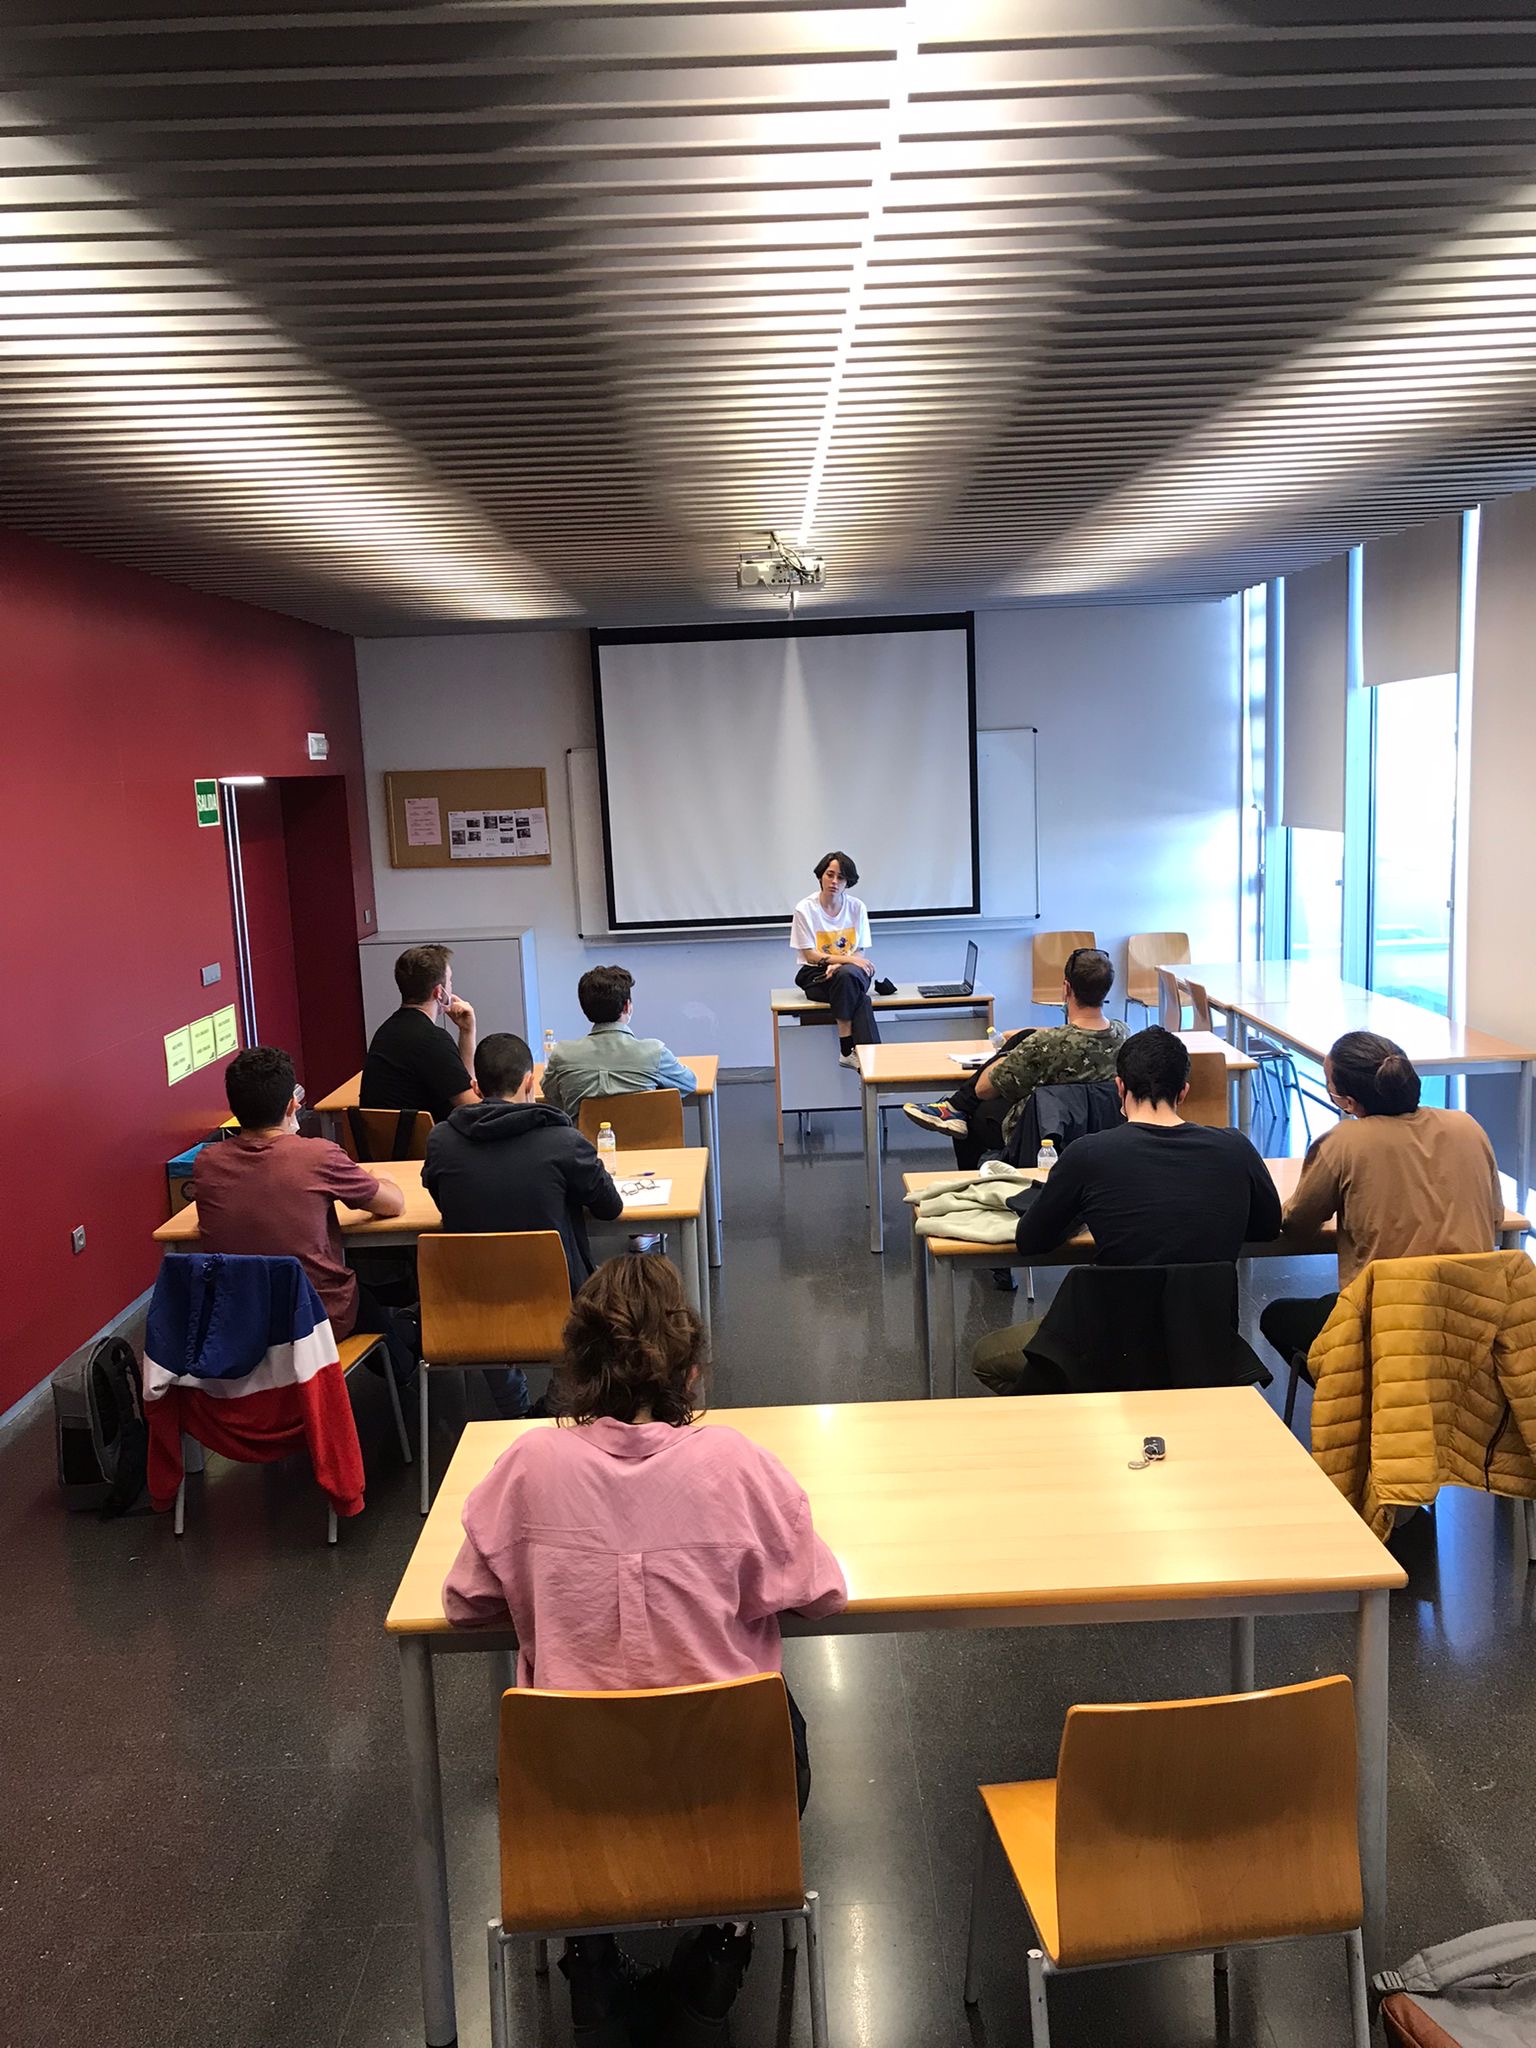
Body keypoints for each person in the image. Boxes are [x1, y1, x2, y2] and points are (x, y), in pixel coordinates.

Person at [443, 1255, 847, 2045]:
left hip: (572, 1783)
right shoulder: (735, 1463)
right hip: (727, 1781)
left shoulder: (525, 1465)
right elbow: (822, 1592)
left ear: (577, 1364)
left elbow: (465, 1605)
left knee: (557, 1734)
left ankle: (590, 1957)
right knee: (777, 1728)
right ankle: (726, 1934)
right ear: (689, 1369)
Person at [973, 1026, 1283, 1393]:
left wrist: (1082, 1213)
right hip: (1203, 1346)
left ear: (1119, 1087)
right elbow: (1268, 1227)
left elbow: (1031, 1240)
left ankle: (1069, 1418)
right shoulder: (1235, 1148)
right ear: (1184, 1091)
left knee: (987, 1357)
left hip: (1107, 1346)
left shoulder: (1089, 1154)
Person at [1259, 1031, 1504, 1373]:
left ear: (1346, 1102)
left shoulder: (1343, 1142)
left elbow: (1298, 1226)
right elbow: (1495, 1217)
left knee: (1278, 1316)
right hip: (1476, 1322)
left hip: (1385, 1323)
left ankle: (1363, 1393)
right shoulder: (1467, 1126)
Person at [423, 1031, 625, 1416]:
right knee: (598, 1300)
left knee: (485, 1305)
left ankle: (512, 1412)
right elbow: (609, 1207)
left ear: (476, 1087)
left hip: (465, 1299)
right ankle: (556, 1408)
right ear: (530, 1082)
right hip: (558, 1298)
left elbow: (442, 1201)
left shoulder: (441, 1141)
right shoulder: (563, 1140)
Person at [191, 1045, 417, 1384]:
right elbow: (393, 1204)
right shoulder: (318, 1156)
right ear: (291, 1105)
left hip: (241, 1324)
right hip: (315, 1318)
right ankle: (406, 1363)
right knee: (368, 1308)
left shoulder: (206, 1165)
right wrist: (378, 1178)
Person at [904, 945, 1126, 1169]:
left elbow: (983, 1089)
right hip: (1101, 1131)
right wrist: (1028, 1035)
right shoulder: (1124, 1034)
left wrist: (1011, 1053)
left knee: (973, 1115)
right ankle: (954, 1108)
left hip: (1039, 1131)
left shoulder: (1043, 1046)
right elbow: (1080, 1037)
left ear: (1066, 988)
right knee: (1023, 1036)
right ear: (1106, 989)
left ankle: (960, 1128)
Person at [540, 964, 697, 1116]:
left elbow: (551, 1094)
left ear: (584, 1008)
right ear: (627, 1006)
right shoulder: (655, 1053)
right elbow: (688, 1083)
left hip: (582, 1135)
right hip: (643, 1134)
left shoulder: (562, 1055)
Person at [360, 943, 478, 1123]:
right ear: (439, 992)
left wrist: (466, 1031)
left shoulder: (385, 1032)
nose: (451, 986)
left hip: (380, 1140)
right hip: (423, 1140)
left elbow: (462, 1084)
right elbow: (474, 1111)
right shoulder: (433, 1040)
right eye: (450, 981)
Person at [790, 850, 881, 1065]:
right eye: (830, 875)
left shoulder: (857, 907)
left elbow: (859, 950)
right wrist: (843, 962)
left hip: (851, 973)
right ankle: (873, 1065)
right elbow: (810, 955)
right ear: (820, 876)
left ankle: (846, 1049)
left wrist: (842, 964)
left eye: (841, 877)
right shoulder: (805, 909)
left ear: (848, 882)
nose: (834, 882)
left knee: (847, 976)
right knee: (860, 997)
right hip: (818, 976)